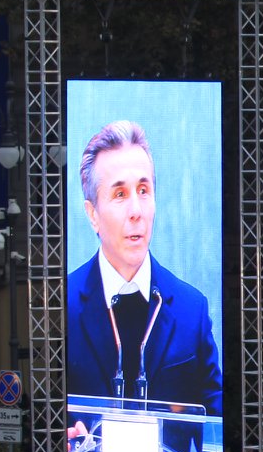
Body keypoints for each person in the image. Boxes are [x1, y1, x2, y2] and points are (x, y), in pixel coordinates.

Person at [65, 120, 223, 417]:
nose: (136, 211)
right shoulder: (62, 305)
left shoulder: (192, 309)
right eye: (120, 194)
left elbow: (216, 418)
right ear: (92, 214)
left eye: (143, 190)